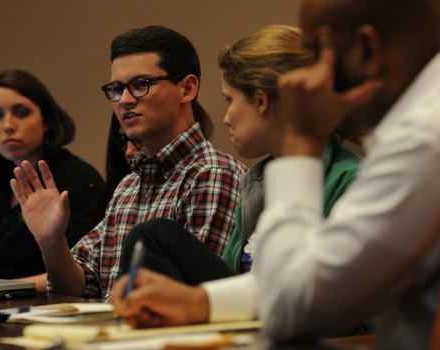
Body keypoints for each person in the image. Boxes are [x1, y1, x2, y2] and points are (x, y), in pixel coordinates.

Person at [112, 1, 440, 349]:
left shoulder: (422, 138)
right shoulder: (419, 127)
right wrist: (198, 302)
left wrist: (299, 141)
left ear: (367, 50)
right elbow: (297, 283)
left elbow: (293, 302)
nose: (313, 78)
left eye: (317, 53)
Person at [10, 26, 247, 300]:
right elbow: (82, 289)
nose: (124, 100)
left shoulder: (212, 175)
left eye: (140, 85)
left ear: (187, 88)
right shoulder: (128, 184)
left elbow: (193, 300)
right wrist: (51, 243)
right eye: (116, 88)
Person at [119, 25, 363, 289]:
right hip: (252, 318)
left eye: (229, 100)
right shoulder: (255, 181)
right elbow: (233, 278)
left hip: (306, 324)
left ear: (261, 102)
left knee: (154, 236)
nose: (225, 119)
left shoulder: (351, 181)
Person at [0, 69, 104, 292]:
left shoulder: (78, 180)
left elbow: (85, 270)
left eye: (20, 112)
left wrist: (0, 287)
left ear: (47, 120)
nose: (7, 125)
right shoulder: (1, 182)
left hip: (54, 306)